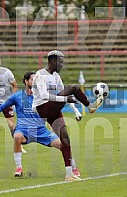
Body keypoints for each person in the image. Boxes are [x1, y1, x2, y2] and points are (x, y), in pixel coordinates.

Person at [0, 72, 80, 180]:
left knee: (64, 144)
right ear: (26, 81)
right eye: (32, 80)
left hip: (41, 131)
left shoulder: (43, 96)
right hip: (23, 130)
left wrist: (53, 124)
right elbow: (3, 106)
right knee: (17, 137)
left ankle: (74, 168)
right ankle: (19, 167)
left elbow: (52, 111)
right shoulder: (17, 96)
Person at [32, 50, 104, 179]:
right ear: (53, 61)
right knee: (74, 88)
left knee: (65, 139)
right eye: (61, 62)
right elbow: (44, 95)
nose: (62, 65)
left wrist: (75, 110)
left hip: (53, 109)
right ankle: (90, 106)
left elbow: (64, 95)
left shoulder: (56, 77)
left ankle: (69, 173)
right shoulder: (40, 75)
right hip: (42, 107)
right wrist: (65, 99)